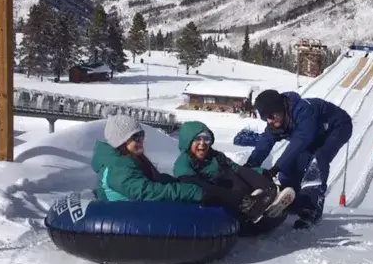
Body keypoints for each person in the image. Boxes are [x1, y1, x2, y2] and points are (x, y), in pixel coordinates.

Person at [92, 114, 275, 220]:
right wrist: (187, 190)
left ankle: (255, 201)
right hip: (127, 215)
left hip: (139, 207)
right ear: (121, 141)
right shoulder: (118, 166)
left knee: (205, 189)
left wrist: (173, 182)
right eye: (135, 137)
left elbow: (155, 181)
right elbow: (145, 191)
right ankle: (246, 207)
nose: (141, 140)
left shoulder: (131, 159)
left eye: (141, 135)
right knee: (199, 193)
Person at [245, 89, 353, 228]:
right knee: (291, 166)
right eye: (266, 118)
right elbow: (264, 144)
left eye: (271, 116)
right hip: (316, 134)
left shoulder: (303, 110)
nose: (269, 121)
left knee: (318, 161)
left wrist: (275, 169)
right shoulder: (276, 122)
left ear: (280, 109)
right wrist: (249, 167)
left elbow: (302, 139)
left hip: (337, 127)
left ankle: (311, 209)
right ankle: (292, 202)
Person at [173, 120, 295, 222]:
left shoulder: (215, 156)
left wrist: (260, 173)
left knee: (239, 172)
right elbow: (192, 185)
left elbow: (237, 168)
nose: (202, 143)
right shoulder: (183, 163)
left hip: (234, 190)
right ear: (188, 142)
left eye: (206, 139)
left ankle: (271, 194)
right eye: (197, 139)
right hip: (218, 196)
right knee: (227, 178)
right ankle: (255, 205)